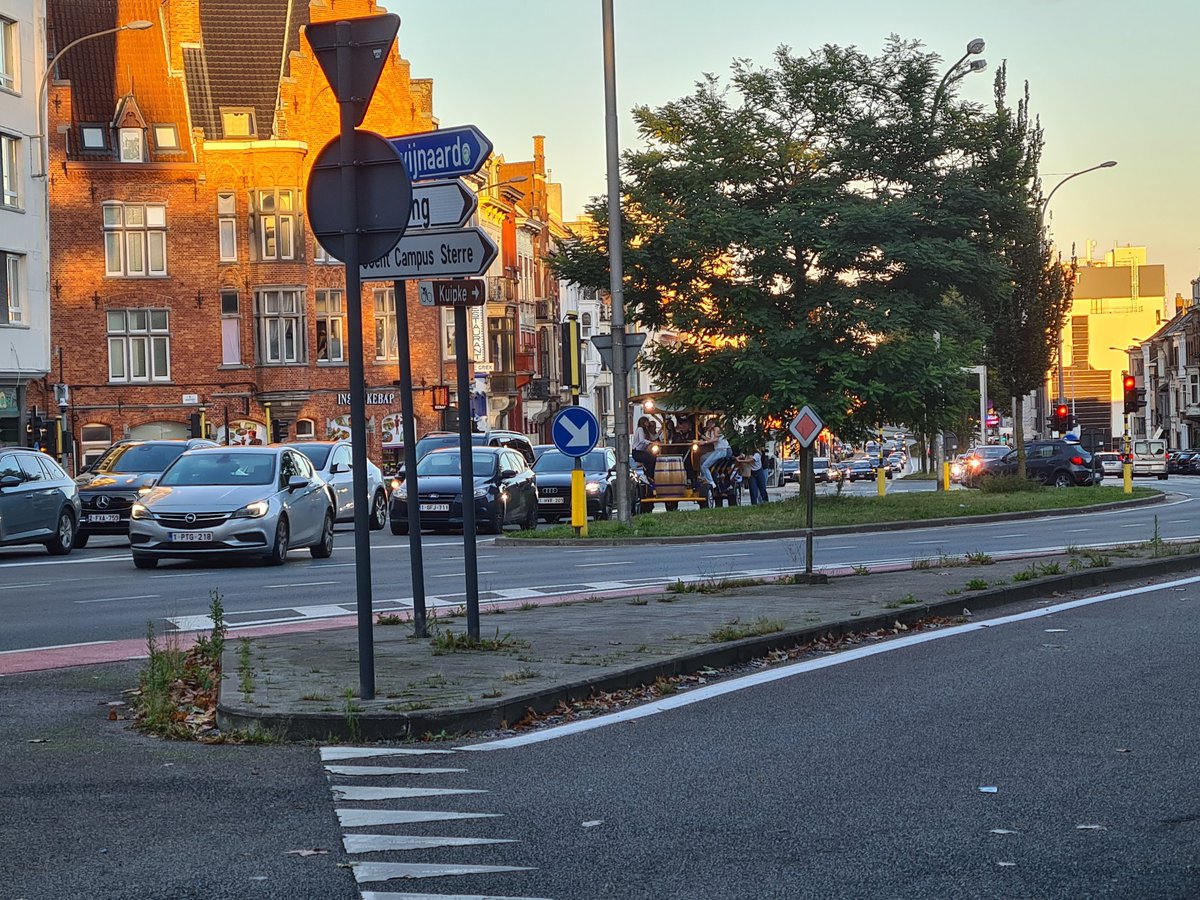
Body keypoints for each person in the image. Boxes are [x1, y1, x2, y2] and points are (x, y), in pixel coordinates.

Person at [699, 420, 731, 489]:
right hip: (719, 450)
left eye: (709, 424)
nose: (707, 426)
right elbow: (711, 439)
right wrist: (701, 436)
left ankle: (711, 482)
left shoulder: (716, 428)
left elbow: (715, 439)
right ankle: (705, 476)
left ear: (713, 424)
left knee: (704, 466)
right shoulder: (713, 431)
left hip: (721, 450)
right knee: (703, 458)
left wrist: (704, 442)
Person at [632, 416, 658, 489]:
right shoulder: (640, 429)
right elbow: (641, 440)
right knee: (652, 459)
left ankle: (648, 476)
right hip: (637, 452)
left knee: (650, 460)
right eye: (646, 421)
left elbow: (653, 437)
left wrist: (661, 430)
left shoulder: (645, 430)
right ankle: (647, 476)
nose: (648, 423)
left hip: (640, 452)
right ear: (643, 422)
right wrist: (651, 443)